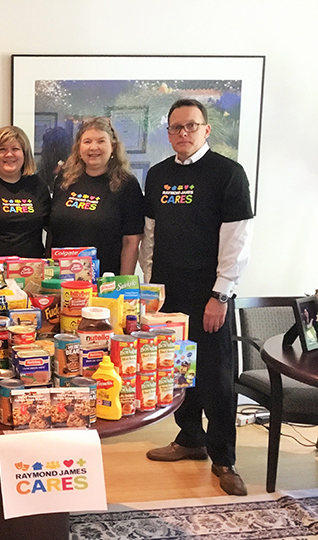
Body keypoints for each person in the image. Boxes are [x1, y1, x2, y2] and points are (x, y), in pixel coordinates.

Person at [139, 98, 253, 496]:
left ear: (206, 129)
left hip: (210, 296)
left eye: (190, 126)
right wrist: (149, 289)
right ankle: (190, 439)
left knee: (216, 376)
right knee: (178, 370)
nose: (182, 133)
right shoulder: (157, 175)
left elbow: (237, 241)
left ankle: (224, 458)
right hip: (167, 295)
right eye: (175, 128)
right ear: (168, 133)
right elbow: (149, 236)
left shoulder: (227, 174)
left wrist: (220, 295)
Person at [48, 117, 144, 275]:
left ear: (112, 146)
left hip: (104, 282)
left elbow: (131, 242)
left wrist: (125, 286)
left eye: (101, 141)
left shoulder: (127, 184)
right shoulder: (65, 178)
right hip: (60, 278)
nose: (93, 147)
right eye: (87, 141)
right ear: (79, 147)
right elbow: (53, 231)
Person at [0, 126, 50, 258]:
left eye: (15, 149)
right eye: (2, 149)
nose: (9, 154)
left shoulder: (38, 185)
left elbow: (51, 227)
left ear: (24, 153)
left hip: (33, 269)